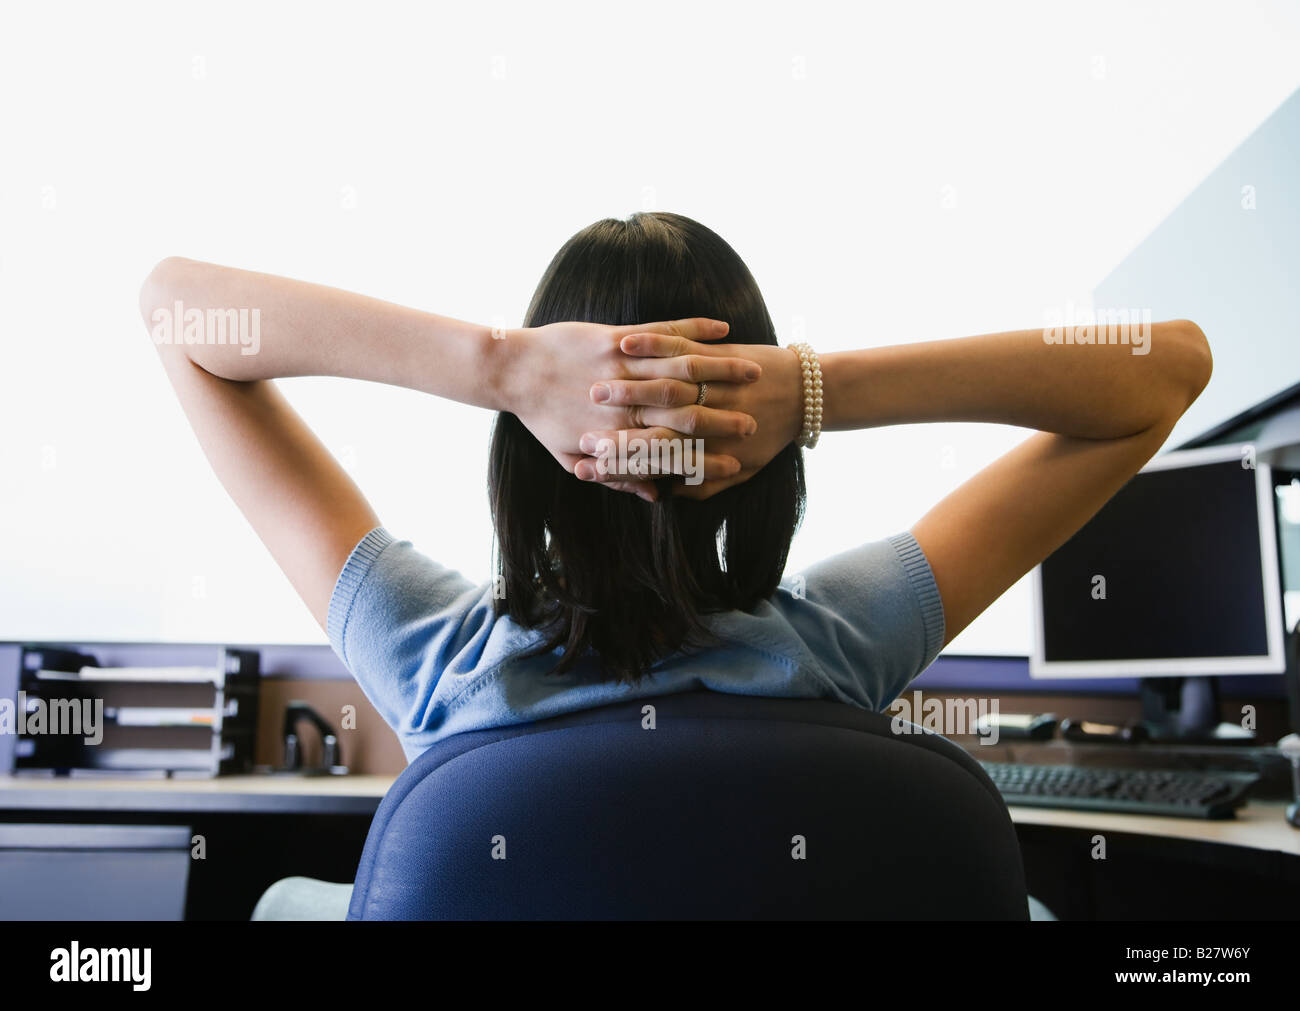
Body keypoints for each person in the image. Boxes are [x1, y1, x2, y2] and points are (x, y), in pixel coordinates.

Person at [139, 212, 1212, 920]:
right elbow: (1164, 374)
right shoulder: (847, 641)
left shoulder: (432, 656)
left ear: (528, 449)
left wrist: (500, 368)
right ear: (765, 451)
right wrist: (814, 390)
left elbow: (175, 309)